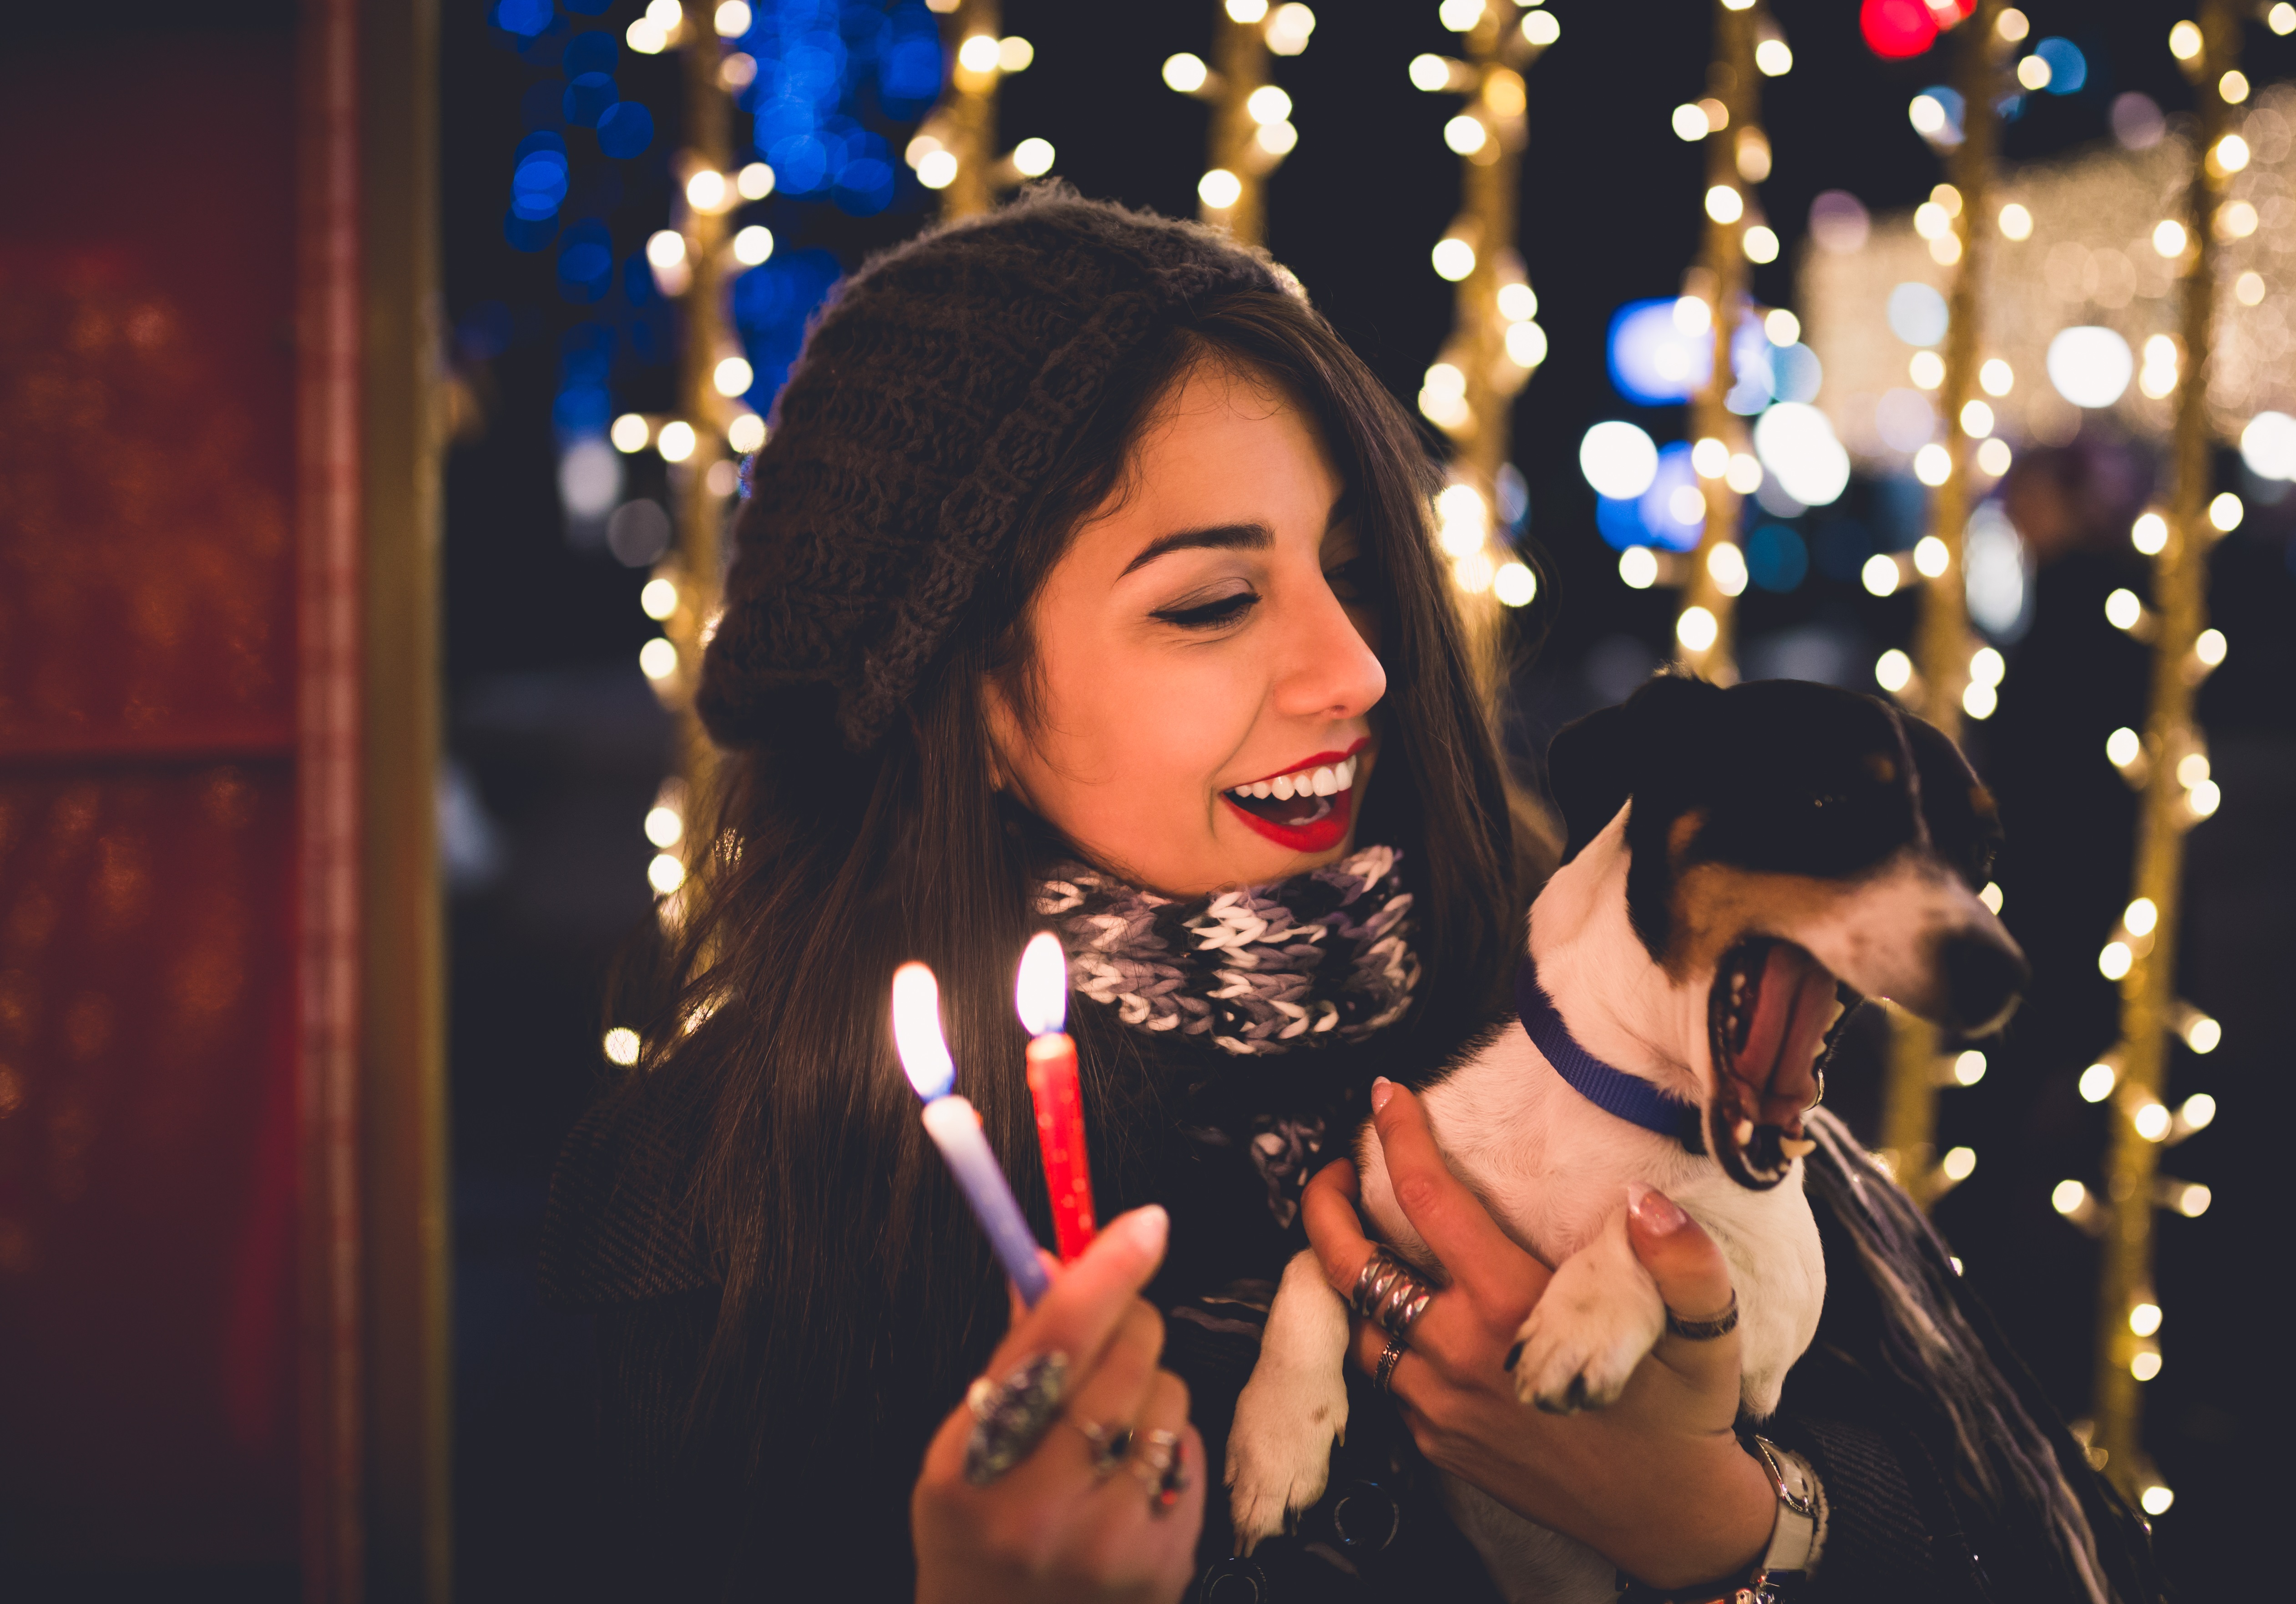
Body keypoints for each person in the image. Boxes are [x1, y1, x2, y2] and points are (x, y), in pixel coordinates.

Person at [540, 192, 2166, 1604]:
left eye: (1361, 571)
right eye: (1216, 603)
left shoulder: (1588, 991)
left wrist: (1729, 1523)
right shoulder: (729, 1198)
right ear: (960, 697)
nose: (1359, 668)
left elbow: (2048, 1539)